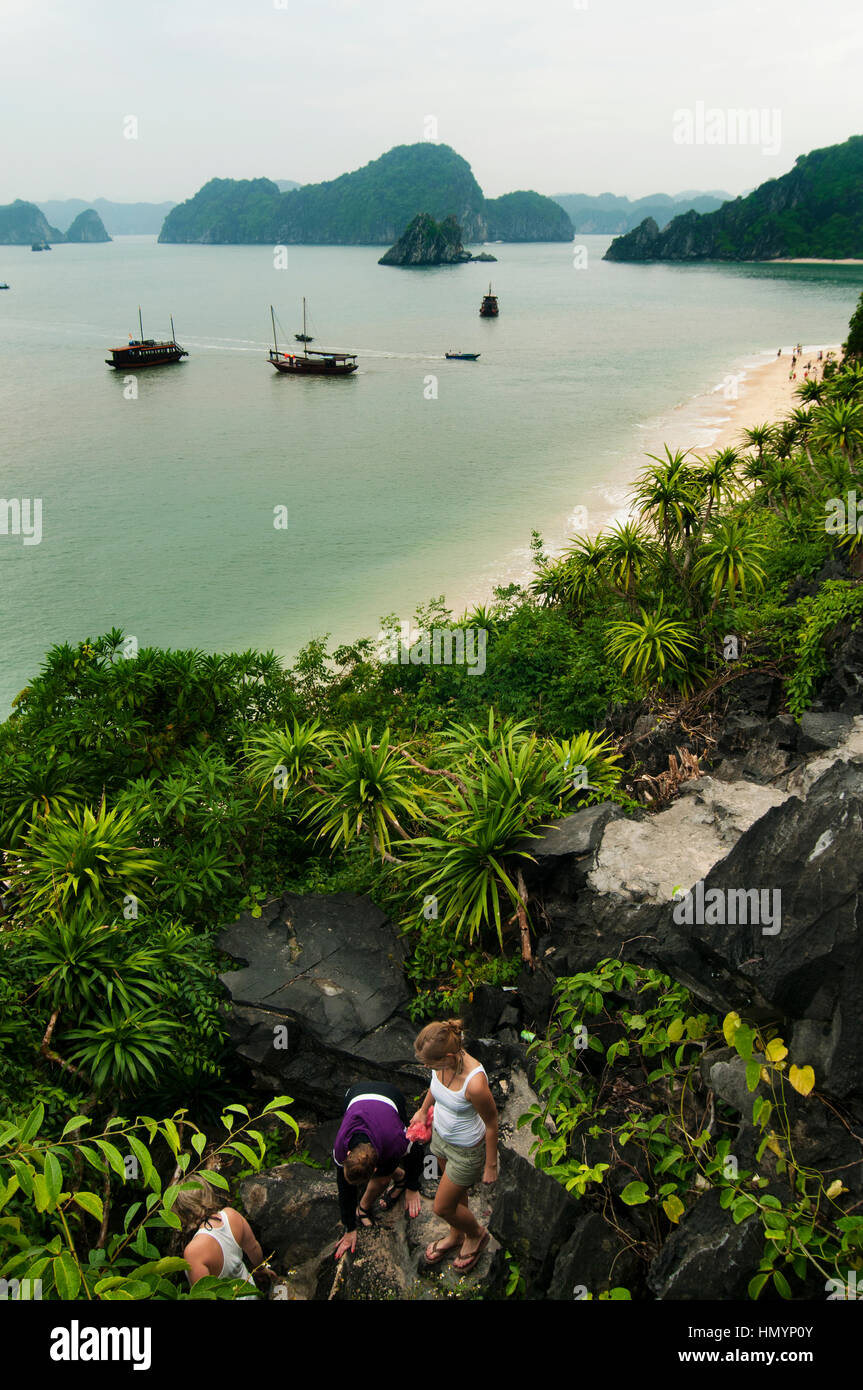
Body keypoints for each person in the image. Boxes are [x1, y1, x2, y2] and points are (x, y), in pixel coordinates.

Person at [412, 1018, 498, 1273]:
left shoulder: (475, 1083)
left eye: (430, 1063)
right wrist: (423, 1109)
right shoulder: (441, 1062)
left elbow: (492, 1123)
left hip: (466, 1150)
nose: (428, 1067)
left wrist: (490, 1165)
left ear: (450, 1056)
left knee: (442, 1206)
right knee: (456, 1195)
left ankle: (476, 1234)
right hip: (441, 1137)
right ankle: (456, 1234)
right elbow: (434, 1086)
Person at [333, 1081, 424, 1260]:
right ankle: (399, 1176)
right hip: (356, 1094)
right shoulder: (341, 1146)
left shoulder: (394, 1139)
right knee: (374, 1177)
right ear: (348, 1155)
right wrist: (349, 1228)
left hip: (391, 1096)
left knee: (383, 1179)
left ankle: (370, 1203)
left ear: (376, 1168)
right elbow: (344, 1188)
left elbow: (417, 1152)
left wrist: (413, 1187)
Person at [176, 1178, 276, 1296]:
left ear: (182, 1211)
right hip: (249, 1292)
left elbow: (203, 1295)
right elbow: (253, 1247)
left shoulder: (194, 1252)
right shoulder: (231, 1215)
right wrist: (261, 1269)